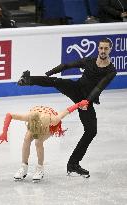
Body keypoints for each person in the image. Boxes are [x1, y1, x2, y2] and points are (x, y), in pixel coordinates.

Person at [17, 38, 117, 177]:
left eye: (106, 48)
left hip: (86, 99)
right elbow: (66, 65)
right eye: (101, 48)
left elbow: (99, 87)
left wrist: (86, 101)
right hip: (76, 89)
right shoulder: (89, 61)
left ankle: (73, 164)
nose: (103, 51)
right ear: (98, 49)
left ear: (110, 50)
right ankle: (28, 80)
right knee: (56, 81)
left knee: (91, 130)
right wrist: (47, 74)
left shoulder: (111, 70)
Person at [0, 101, 89, 181]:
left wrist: (79, 104)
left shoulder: (54, 120)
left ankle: (40, 168)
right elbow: (9, 115)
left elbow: (67, 111)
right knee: (27, 139)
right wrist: (4, 132)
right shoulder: (29, 117)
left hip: (48, 124)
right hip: (36, 119)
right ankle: (23, 167)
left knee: (38, 142)